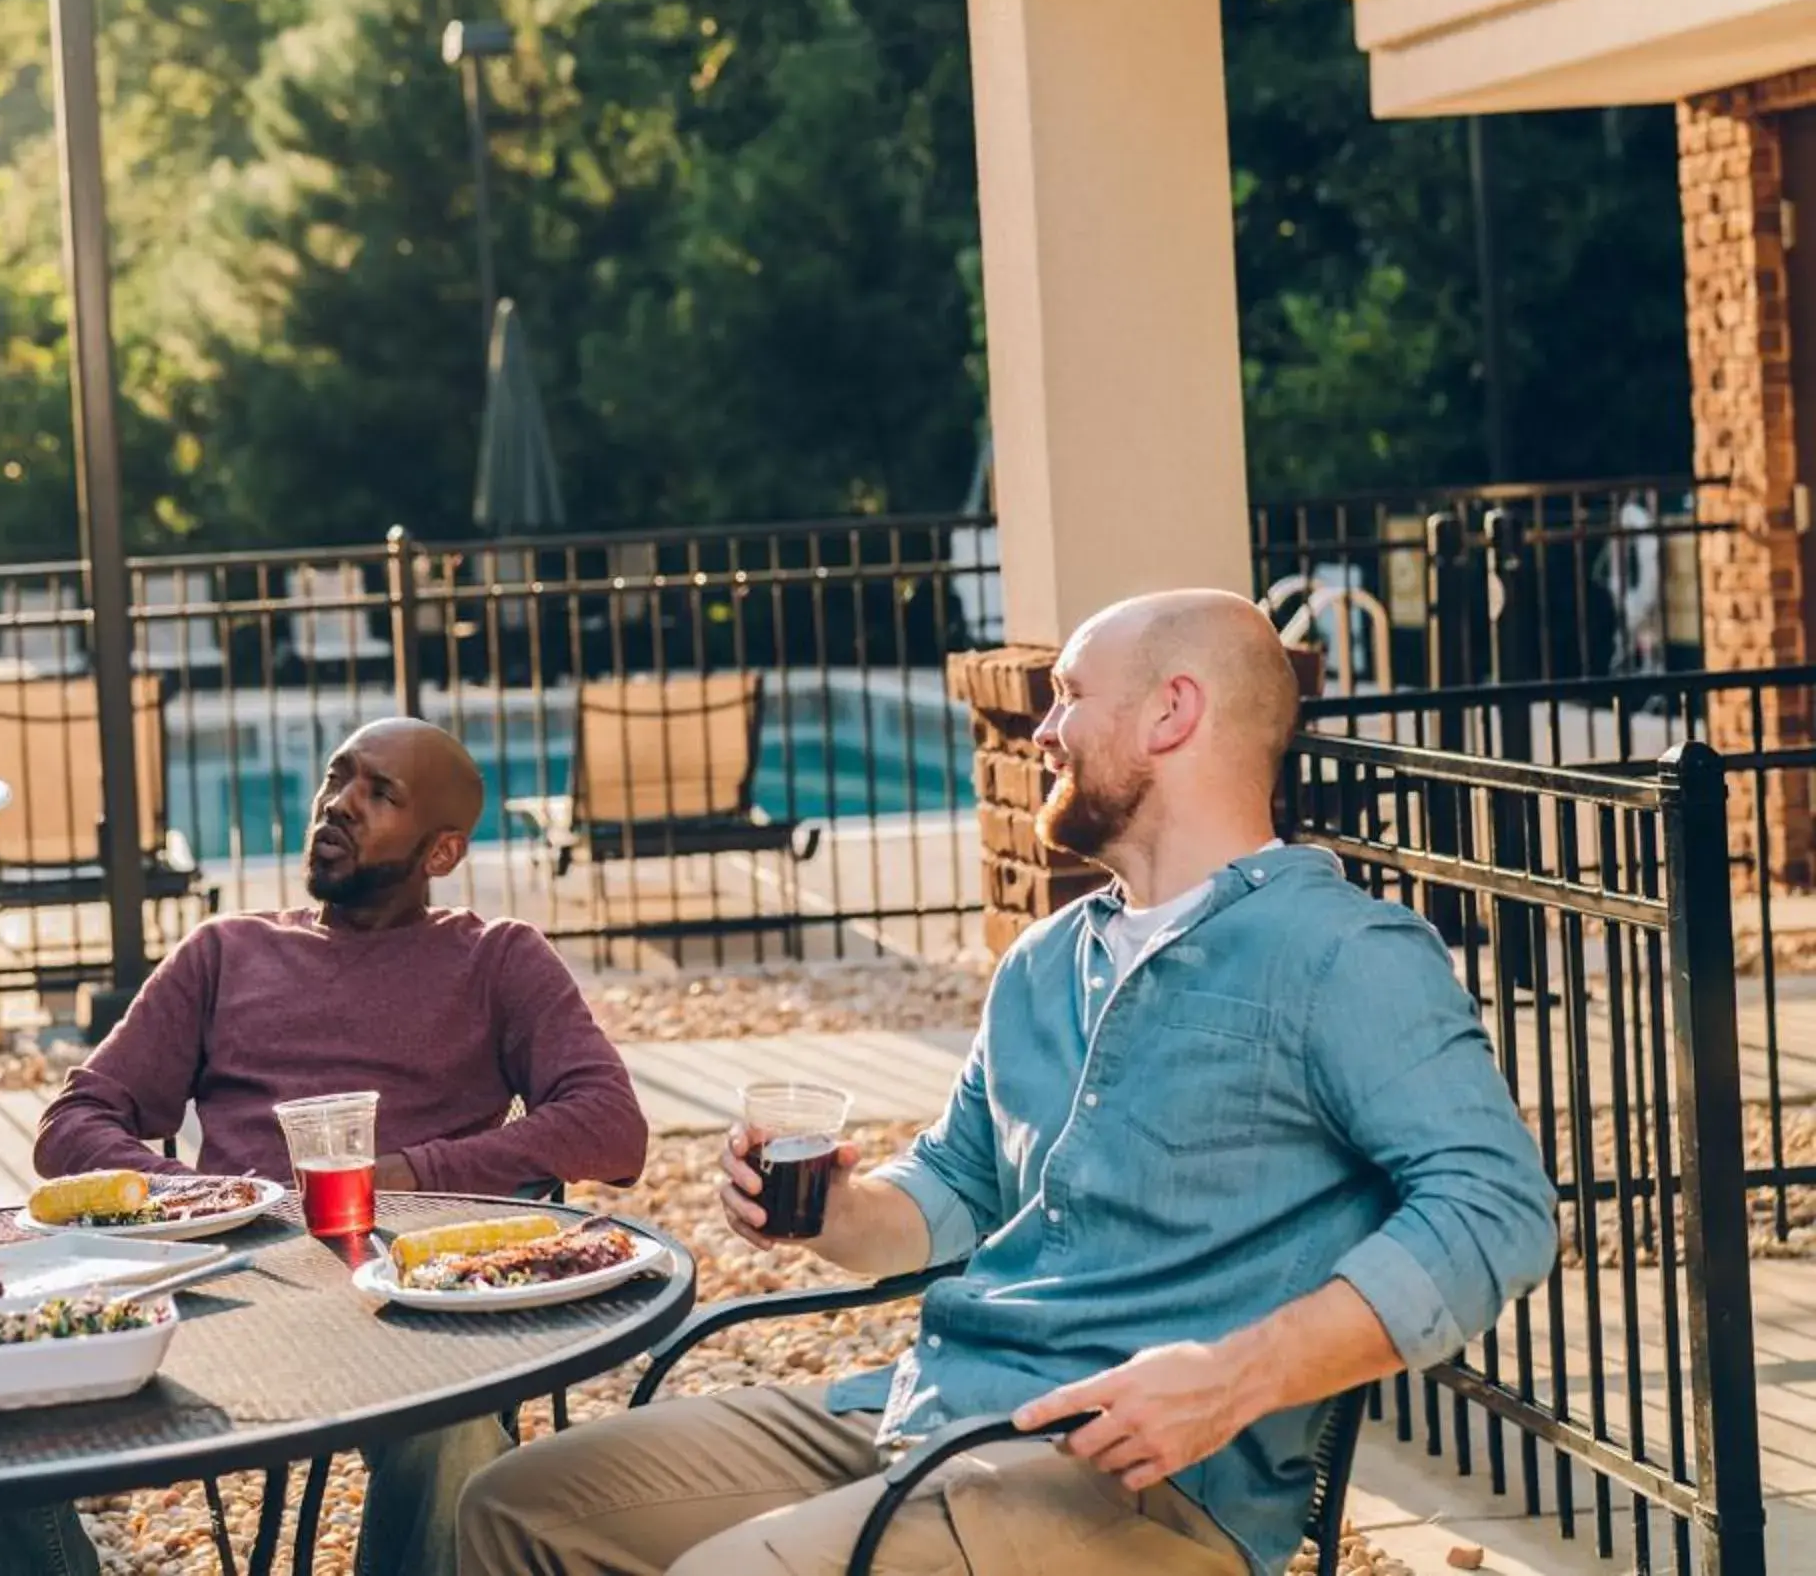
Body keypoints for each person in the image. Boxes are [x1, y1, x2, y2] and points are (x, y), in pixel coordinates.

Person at [460, 591, 1559, 1576]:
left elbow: (1498, 1206)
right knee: (518, 1506)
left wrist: (1236, 1377)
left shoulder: (1342, 952)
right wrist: (841, 1211)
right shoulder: (1046, 960)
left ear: (1172, 714)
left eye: (1069, 698)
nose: (1039, 731)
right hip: (932, 1410)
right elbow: (957, 1184)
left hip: (1140, 1481)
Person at [0, 717, 651, 1576]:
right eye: (338, 778)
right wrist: (205, 1199)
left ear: (442, 853)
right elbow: (74, 1125)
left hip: (409, 1298)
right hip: (221, 1293)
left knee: (457, 1431)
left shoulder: (498, 960)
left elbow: (611, 1128)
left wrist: (403, 1177)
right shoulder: (225, 952)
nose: (339, 805)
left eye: (379, 794)